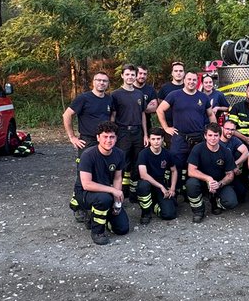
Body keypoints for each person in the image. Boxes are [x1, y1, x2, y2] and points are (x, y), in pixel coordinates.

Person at [63, 71, 114, 220]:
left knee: (102, 171)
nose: (101, 83)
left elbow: (111, 118)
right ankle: (78, 206)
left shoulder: (109, 99)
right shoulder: (83, 98)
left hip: (104, 141)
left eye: (104, 81)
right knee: (83, 174)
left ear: (107, 83)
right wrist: (72, 137)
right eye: (98, 80)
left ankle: (98, 202)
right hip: (88, 141)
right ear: (93, 82)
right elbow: (67, 115)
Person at [77, 123, 130, 245]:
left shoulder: (119, 154)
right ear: (98, 138)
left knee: (122, 229)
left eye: (112, 137)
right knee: (104, 199)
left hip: (106, 191)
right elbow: (86, 184)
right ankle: (97, 232)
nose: (108, 140)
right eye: (105, 137)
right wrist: (113, 191)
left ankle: (98, 218)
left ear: (116, 138)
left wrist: (117, 202)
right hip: (85, 194)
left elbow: (117, 178)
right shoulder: (88, 155)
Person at [185, 123, 238, 222]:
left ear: (219, 136)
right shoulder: (197, 149)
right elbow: (191, 171)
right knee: (191, 184)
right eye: (210, 135)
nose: (213, 138)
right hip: (201, 182)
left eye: (216, 135)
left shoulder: (226, 152)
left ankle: (214, 202)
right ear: (205, 136)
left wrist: (219, 184)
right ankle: (198, 211)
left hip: (218, 183)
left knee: (232, 203)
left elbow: (230, 175)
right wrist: (208, 179)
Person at [157, 71, 210, 170]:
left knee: (197, 166)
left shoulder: (203, 97)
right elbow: (160, 109)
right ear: (184, 80)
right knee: (176, 166)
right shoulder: (174, 95)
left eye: (194, 80)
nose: (191, 82)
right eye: (189, 79)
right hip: (179, 138)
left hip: (198, 138)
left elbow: (210, 114)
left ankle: (191, 185)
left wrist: (213, 131)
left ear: (197, 81)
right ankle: (177, 185)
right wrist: (166, 128)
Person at [111, 64, 147, 193]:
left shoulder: (139, 94)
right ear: (122, 76)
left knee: (137, 161)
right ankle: (121, 190)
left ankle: (134, 190)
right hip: (122, 131)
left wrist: (145, 134)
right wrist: (112, 134)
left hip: (138, 131)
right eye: (127, 74)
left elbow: (142, 114)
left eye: (133, 74)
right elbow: (113, 116)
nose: (130, 77)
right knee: (123, 161)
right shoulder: (115, 94)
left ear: (136, 76)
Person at [136, 128, 178, 224]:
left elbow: (174, 171)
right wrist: (161, 187)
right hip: (147, 183)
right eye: (153, 139)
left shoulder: (167, 154)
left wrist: (172, 188)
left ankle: (154, 204)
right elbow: (143, 175)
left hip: (160, 183)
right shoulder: (143, 154)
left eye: (158, 139)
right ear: (149, 140)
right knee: (143, 185)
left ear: (162, 139)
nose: (156, 142)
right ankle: (146, 213)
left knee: (169, 214)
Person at [219, 116, 249, 203]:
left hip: (230, 171)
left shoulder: (234, 140)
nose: (230, 132)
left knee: (242, 193)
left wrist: (235, 164)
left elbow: (246, 152)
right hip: (217, 172)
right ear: (222, 128)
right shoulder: (215, 140)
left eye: (232, 130)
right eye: (227, 129)